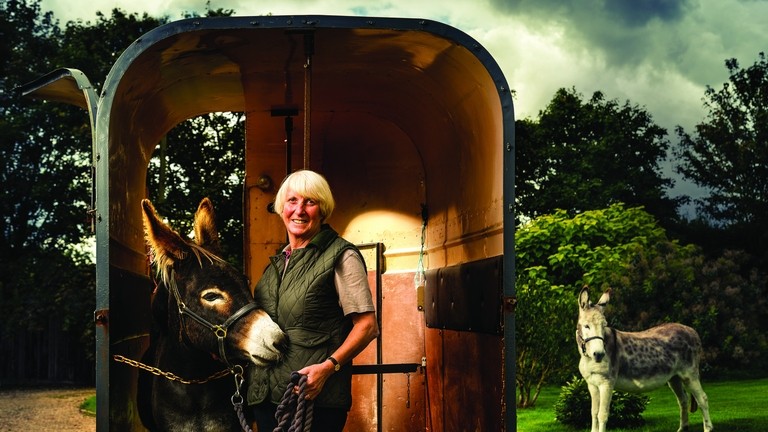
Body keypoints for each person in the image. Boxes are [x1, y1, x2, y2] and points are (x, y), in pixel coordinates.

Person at [247, 170, 380, 431]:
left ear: (322, 209)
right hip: (266, 398)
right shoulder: (275, 265)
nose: (299, 210)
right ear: (282, 208)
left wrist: (328, 368)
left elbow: (367, 326)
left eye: (310, 202)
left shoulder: (342, 256)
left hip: (314, 400)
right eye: (292, 201)